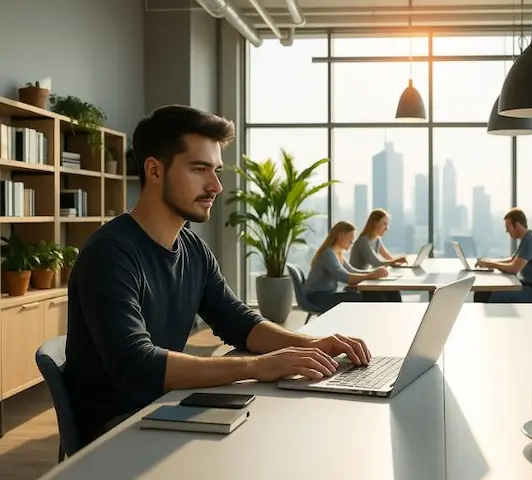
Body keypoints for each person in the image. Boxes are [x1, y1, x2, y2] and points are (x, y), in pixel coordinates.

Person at [63, 105, 372, 448]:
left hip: (166, 406)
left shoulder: (192, 248)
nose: (216, 186)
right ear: (154, 171)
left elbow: (239, 322)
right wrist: (258, 367)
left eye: (217, 170)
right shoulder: (109, 253)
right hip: (118, 431)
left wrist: (312, 346)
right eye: (199, 169)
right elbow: (137, 366)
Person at [473, 207, 532, 303]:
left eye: (508, 227)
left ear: (516, 225)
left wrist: (490, 265)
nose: (507, 231)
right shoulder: (528, 238)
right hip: (531, 286)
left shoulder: (531, 241)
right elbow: (513, 259)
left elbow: (514, 268)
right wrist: (488, 262)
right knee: (483, 292)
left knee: (484, 294)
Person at [304, 221, 390, 312]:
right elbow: (344, 277)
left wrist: (374, 273)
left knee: (374, 294)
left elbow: (351, 271)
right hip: (317, 296)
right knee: (361, 297)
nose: (352, 241)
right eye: (351, 237)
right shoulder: (328, 253)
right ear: (341, 235)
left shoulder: (336, 253)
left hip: (325, 294)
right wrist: (371, 275)